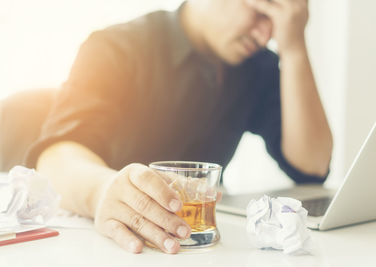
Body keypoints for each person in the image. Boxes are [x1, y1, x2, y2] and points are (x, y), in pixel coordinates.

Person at [25, 0, 333, 254]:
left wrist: (294, 47)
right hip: (112, 250)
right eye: (262, 12)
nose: (267, 35)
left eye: (281, 23)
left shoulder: (256, 67)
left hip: (197, 252)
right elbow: (55, 159)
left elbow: (312, 165)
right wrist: (102, 191)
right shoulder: (114, 47)